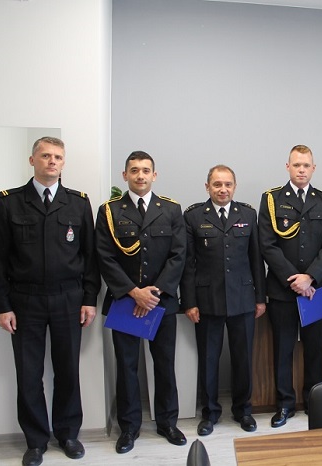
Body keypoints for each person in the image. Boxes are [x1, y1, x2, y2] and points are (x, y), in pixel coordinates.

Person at [0, 136, 100, 466]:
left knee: (67, 371)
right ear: (32, 160)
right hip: (25, 301)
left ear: (63, 163)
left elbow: (90, 257)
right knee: (29, 374)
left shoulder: (78, 203)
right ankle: (35, 441)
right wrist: (2, 304)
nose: (52, 161)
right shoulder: (9, 203)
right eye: (46, 156)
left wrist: (89, 298)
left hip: (68, 298)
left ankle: (68, 434)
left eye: (58, 157)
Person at [95, 151, 187, 454]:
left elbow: (178, 255)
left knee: (165, 365)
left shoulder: (171, 209)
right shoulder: (110, 211)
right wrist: (134, 292)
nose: (140, 175)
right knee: (127, 367)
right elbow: (105, 256)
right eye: (134, 170)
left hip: (162, 302)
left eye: (146, 170)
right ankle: (129, 427)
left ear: (154, 175)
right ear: (125, 175)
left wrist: (153, 293)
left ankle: (167, 423)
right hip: (125, 302)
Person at [180, 165, 266, 436]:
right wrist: (189, 302)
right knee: (209, 359)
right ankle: (210, 413)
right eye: (217, 184)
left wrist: (260, 298)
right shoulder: (193, 216)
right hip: (207, 300)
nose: (223, 189)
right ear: (207, 187)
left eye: (228, 184)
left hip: (243, 298)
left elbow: (256, 259)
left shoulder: (248, 214)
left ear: (234, 186)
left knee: (243, 359)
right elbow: (188, 264)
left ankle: (243, 411)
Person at [258, 145, 322, 427]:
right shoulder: (271, 199)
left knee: (315, 349)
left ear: (313, 168)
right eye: (296, 165)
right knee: (283, 350)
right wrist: (295, 278)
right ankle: (284, 405)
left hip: (315, 291)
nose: (301, 170)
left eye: (306, 165)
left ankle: (315, 402)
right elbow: (267, 245)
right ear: (288, 167)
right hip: (283, 290)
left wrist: (310, 277)